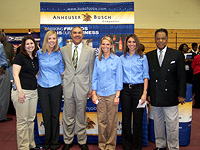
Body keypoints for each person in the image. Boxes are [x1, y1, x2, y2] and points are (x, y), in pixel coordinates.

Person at [146, 28, 186, 150]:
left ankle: (173, 147)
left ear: (167, 39)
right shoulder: (149, 55)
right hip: (156, 95)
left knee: (172, 125)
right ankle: (160, 145)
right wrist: (148, 94)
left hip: (171, 96)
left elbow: (182, 76)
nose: (160, 41)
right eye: (158, 38)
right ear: (155, 40)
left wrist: (181, 94)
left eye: (163, 38)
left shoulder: (177, 54)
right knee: (157, 124)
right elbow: (148, 77)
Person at [61, 26, 95, 150]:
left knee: (81, 117)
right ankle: (68, 141)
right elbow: (62, 68)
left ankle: (82, 141)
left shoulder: (90, 51)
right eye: (74, 33)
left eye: (79, 33)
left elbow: (91, 71)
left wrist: (91, 88)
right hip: (68, 87)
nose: (77, 35)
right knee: (68, 117)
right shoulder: (63, 50)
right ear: (71, 35)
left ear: (82, 35)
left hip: (83, 88)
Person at [92, 36, 123, 150]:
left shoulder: (117, 60)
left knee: (112, 122)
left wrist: (117, 96)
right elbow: (94, 77)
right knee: (101, 121)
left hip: (112, 94)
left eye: (107, 44)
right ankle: (102, 144)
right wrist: (94, 93)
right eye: (103, 44)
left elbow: (119, 78)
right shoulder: (97, 60)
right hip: (100, 94)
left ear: (111, 46)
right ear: (100, 46)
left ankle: (110, 145)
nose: (105, 46)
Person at [120, 34, 149, 150]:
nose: (131, 44)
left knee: (138, 119)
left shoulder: (143, 58)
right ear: (126, 44)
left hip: (138, 90)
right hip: (125, 90)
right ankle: (126, 144)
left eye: (133, 42)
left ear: (137, 43)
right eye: (129, 42)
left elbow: (146, 76)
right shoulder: (122, 58)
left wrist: (144, 93)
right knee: (126, 118)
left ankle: (137, 145)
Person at [37, 30, 64, 150]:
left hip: (56, 87)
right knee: (46, 115)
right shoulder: (39, 53)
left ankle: (54, 142)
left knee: (54, 115)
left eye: (54, 39)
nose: (52, 41)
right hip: (42, 87)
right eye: (50, 38)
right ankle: (47, 141)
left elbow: (62, 70)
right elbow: (34, 68)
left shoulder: (59, 54)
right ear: (46, 40)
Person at [11, 35, 39, 150]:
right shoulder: (20, 57)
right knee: (22, 121)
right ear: (24, 46)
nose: (30, 46)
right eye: (27, 44)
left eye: (31, 43)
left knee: (30, 120)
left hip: (33, 92)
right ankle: (23, 147)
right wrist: (20, 91)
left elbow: (35, 75)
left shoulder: (35, 58)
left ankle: (31, 145)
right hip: (22, 92)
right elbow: (15, 74)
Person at [0, 31, 12, 123]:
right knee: (4, 95)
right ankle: (2, 116)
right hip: (2, 71)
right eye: (3, 36)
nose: (4, 37)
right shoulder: (0, 45)